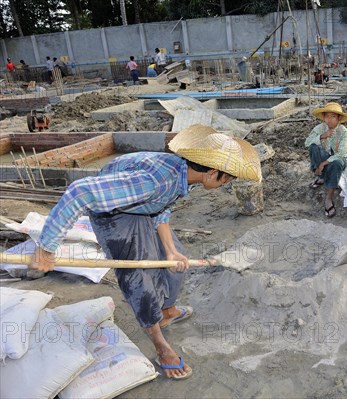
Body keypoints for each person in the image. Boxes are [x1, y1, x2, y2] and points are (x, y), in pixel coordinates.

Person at [28, 125, 262, 380]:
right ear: (213, 173)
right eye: (226, 179)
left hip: (142, 208)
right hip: (114, 214)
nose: (225, 184)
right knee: (139, 274)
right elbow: (79, 192)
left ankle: (166, 311)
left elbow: (162, 205)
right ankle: (161, 346)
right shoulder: (155, 181)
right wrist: (47, 247)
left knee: (174, 260)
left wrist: (171, 251)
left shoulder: (185, 175)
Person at [305, 102, 347, 218]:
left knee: (337, 163)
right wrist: (321, 136)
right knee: (314, 147)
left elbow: (342, 153)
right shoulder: (320, 128)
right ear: (324, 117)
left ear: (339, 118)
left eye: (333, 116)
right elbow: (307, 143)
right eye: (327, 116)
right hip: (324, 157)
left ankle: (329, 198)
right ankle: (321, 177)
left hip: (336, 161)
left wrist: (323, 164)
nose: (329, 120)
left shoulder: (344, 132)